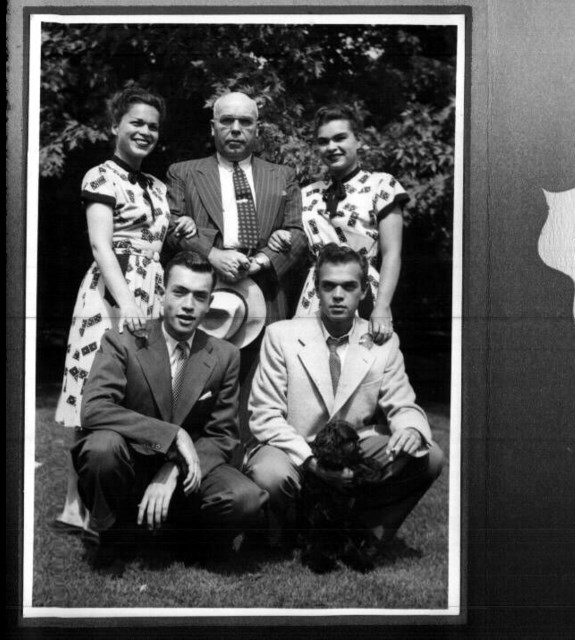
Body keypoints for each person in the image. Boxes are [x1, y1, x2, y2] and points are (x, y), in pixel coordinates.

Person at [245, 244, 444, 565]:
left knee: (429, 456)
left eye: (349, 286)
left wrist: (410, 428)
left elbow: (402, 403)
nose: (338, 295)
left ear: (364, 289)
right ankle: (288, 531)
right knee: (270, 474)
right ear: (316, 289)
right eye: (329, 286)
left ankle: (364, 532)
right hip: (293, 448)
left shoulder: (383, 341)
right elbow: (265, 416)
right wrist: (311, 462)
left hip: (352, 447)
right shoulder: (280, 335)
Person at [54, 86, 197, 533]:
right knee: (92, 393)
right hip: (111, 293)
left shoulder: (156, 185)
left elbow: (159, 240)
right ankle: (75, 506)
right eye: (136, 122)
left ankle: (126, 498)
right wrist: (127, 300)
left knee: (139, 389)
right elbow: (101, 244)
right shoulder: (99, 177)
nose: (145, 131)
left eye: (153, 126)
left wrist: (181, 229)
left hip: (151, 290)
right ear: (115, 126)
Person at [73, 251, 267, 573]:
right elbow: (93, 409)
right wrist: (172, 434)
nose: (189, 305)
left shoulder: (224, 355)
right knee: (100, 449)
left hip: (187, 475)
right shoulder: (123, 340)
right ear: (162, 294)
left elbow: (223, 436)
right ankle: (110, 535)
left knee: (245, 497)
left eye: (200, 296)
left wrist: (174, 469)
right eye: (180, 292)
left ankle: (193, 538)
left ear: (209, 304)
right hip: (132, 463)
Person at [166, 91, 308, 438]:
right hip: (205, 297)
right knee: (200, 389)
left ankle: (255, 477)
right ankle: (195, 471)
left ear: (257, 129)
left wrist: (261, 261)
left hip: (266, 295)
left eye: (245, 122)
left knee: (262, 395)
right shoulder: (184, 173)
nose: (235, 129)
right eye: (226, 121)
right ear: (212, 126)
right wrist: (213, 254)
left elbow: (299, 236)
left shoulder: (283, 175)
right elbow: (170, 230)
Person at [290, 106, 408, 345]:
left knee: (362, 366)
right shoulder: (307, 193)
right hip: (316, 292)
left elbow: (392, 253)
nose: (332, 147)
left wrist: (383, 306)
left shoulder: (382, 185)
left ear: (359, 140)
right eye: (323, 141)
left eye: (340, 138)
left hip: (362, 290)